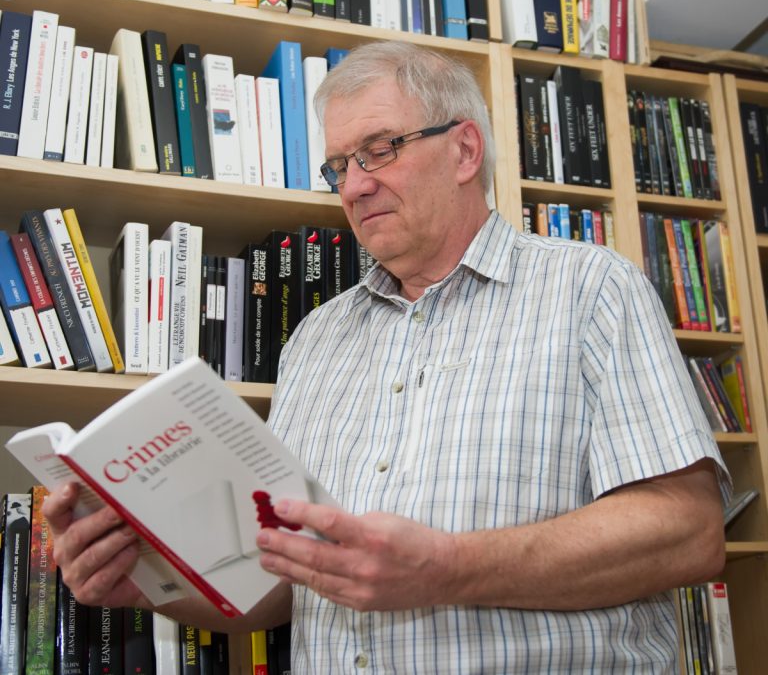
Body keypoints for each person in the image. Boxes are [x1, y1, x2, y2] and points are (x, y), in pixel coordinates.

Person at [44, 41, 731, 673]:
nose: (352, 187)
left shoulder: (591, 289)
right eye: (339, 166)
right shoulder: (314, 339)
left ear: (464, 152)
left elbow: (688, 534)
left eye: (378, 149)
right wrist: (147, 582)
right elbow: (282, 587)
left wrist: (449, 568)